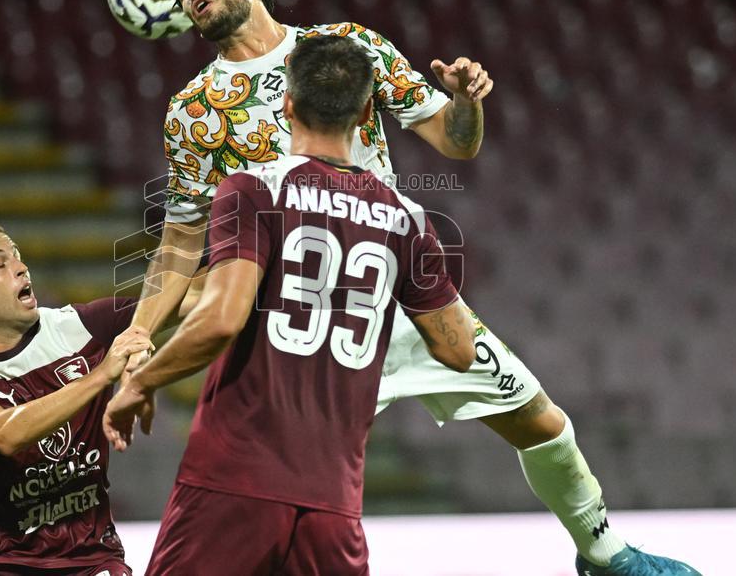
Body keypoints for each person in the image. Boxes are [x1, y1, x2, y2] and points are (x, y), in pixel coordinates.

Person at [110, 0, 701, 575]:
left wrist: (467, 102)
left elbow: (455, 140)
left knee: (540, 419)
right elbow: (181, 236)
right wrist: (140, 331)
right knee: (271, 489)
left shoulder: (347, 47)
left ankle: (604, 551)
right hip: (293, 324)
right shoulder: (194, 111)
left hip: (389, 298)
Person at [106, 35, 477, 575]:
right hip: (334, 498)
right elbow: (459, 350)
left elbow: (221, 319)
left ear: (286, 105)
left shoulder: (254, 187)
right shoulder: (407, 218)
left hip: (235, 481)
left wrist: (140, 383)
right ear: (368, 110)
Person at [0, 223, 167, 575]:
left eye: (17, 257)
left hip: (92, 559)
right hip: (1, 564)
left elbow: (195, 297)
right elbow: (3, 435)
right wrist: (103, 374)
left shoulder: (81, 326)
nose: (20, 267)